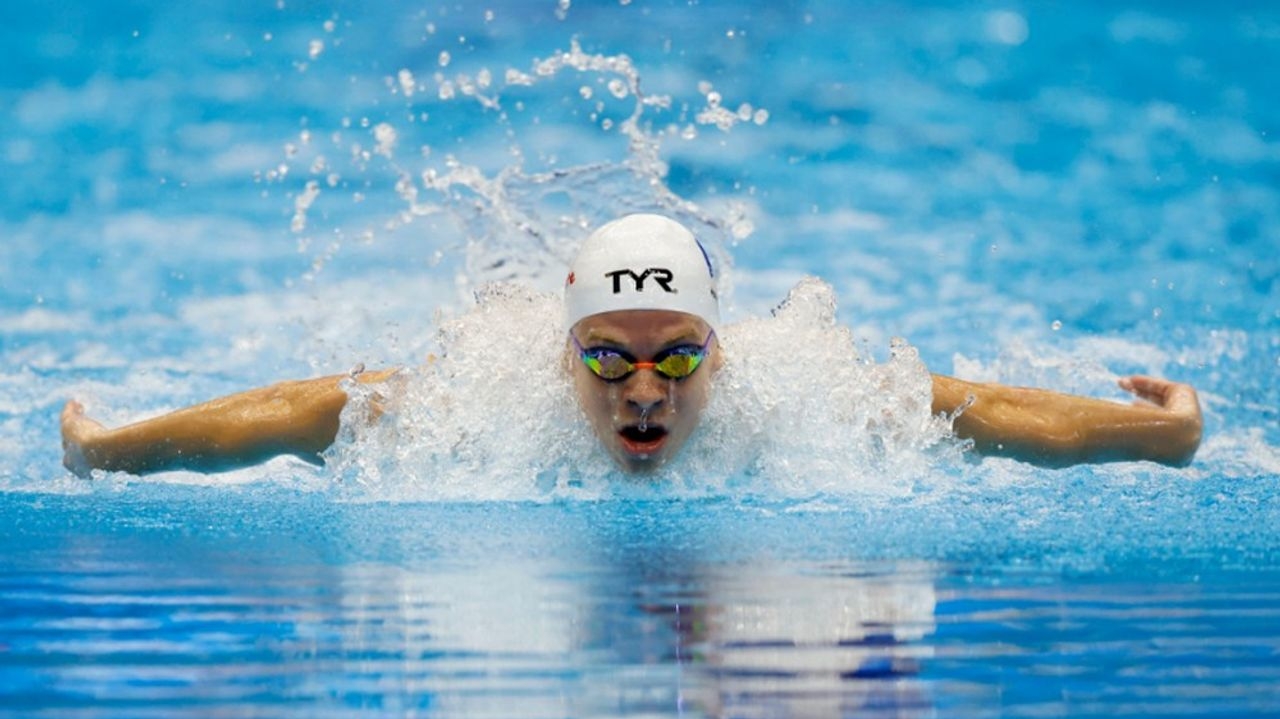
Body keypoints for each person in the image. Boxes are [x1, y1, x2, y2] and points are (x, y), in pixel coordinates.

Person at [59, 214, 1203, 477]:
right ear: (566, 353)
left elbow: (981, 409)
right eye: (607, 355)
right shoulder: (487, 393)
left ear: (721, 349)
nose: (643, 387)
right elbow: (309, 406)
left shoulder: (795, 391)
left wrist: (1160, 434)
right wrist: (110, 451)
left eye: (677, 356)